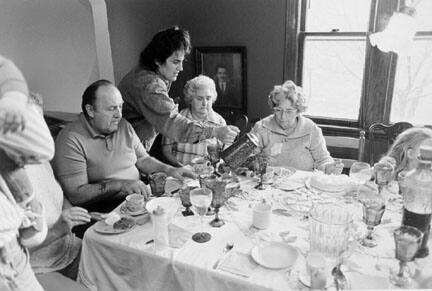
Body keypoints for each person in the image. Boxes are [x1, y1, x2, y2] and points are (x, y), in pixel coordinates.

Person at [53, 80, 196, 218]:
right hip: (103, 210)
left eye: (120, 107)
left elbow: (143, 159)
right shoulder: (70, 139)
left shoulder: (122, 125)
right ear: (90, 110)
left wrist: (170, 170)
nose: (119, 114)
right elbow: (76, 195)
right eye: (111, 108)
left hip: (137, 199)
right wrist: (120, 185)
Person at [117, 26, 239, 151]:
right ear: (157, 60)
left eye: (181, 61)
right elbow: (175, 125)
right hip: (126, 152)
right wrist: (216, 132)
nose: (180, 68)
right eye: (175, 62)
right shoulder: (149, 85)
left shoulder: (156, 75)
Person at [0, 55, 54, 291]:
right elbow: (42, 147)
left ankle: (30, 203)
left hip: (13, 250)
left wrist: (14, 100)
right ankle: (30, 204)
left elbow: (42, 148)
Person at [249, 80, 342, 174]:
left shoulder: (311, 129)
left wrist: (328, 168)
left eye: (289, 111)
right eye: (278, 110)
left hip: (303, 185)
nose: (282, 117)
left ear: (298, 111)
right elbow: (248, 158)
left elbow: (323, 159)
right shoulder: (261, 127)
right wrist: (255, 163)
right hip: (270, 184)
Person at [162, 75, 226, 166]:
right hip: (181, 173)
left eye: (208, 98)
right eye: (199, 99)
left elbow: (223, 156)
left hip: (207, 175)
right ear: (190, 99)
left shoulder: (220, 122)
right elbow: (166, 151)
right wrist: (181, 168)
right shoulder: (177, 119)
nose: (205, 103)